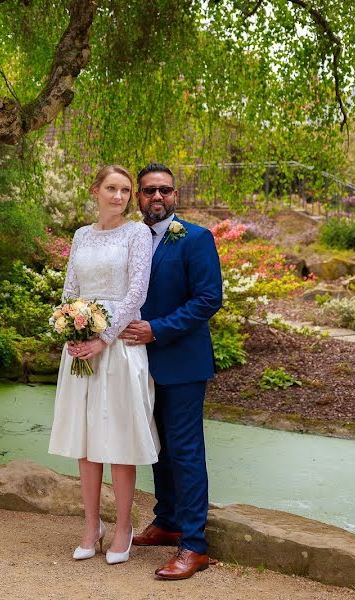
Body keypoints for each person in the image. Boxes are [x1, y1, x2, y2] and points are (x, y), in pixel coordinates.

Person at [48, 165, 158, 565]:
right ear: (95, 191)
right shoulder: (80, 235)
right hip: (81, 345)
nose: (119, 196)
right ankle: (91, 525)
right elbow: (70, 289)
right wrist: (72, 331)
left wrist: (103, 338)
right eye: (111, 188)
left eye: (126, 190)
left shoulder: (137, 233)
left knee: (119, 437)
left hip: (119, 345)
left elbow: (136, 293)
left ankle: (124, 526)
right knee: (86, 437)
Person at [121, 163, 223, 580]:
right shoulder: (133, 239)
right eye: (148, 191)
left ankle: (194, 546)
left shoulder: (195, 238)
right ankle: (167, 520)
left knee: (185, 451)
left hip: (181, 362)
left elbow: (207, 300)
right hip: (139, 364)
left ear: (175, 195)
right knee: (157, 448)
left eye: (164, 190)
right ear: (139, 198)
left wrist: (156, 330)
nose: (156, 197)